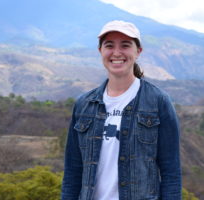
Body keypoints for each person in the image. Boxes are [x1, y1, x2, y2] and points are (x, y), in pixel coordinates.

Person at [61, 20, 181, 200]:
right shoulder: (83, 105)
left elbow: (171, 171)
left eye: (125, 45)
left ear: (138, 51)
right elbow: (73, 171)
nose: (117, 53)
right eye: (109, 45)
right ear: (100, 50)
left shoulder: (158, 102)